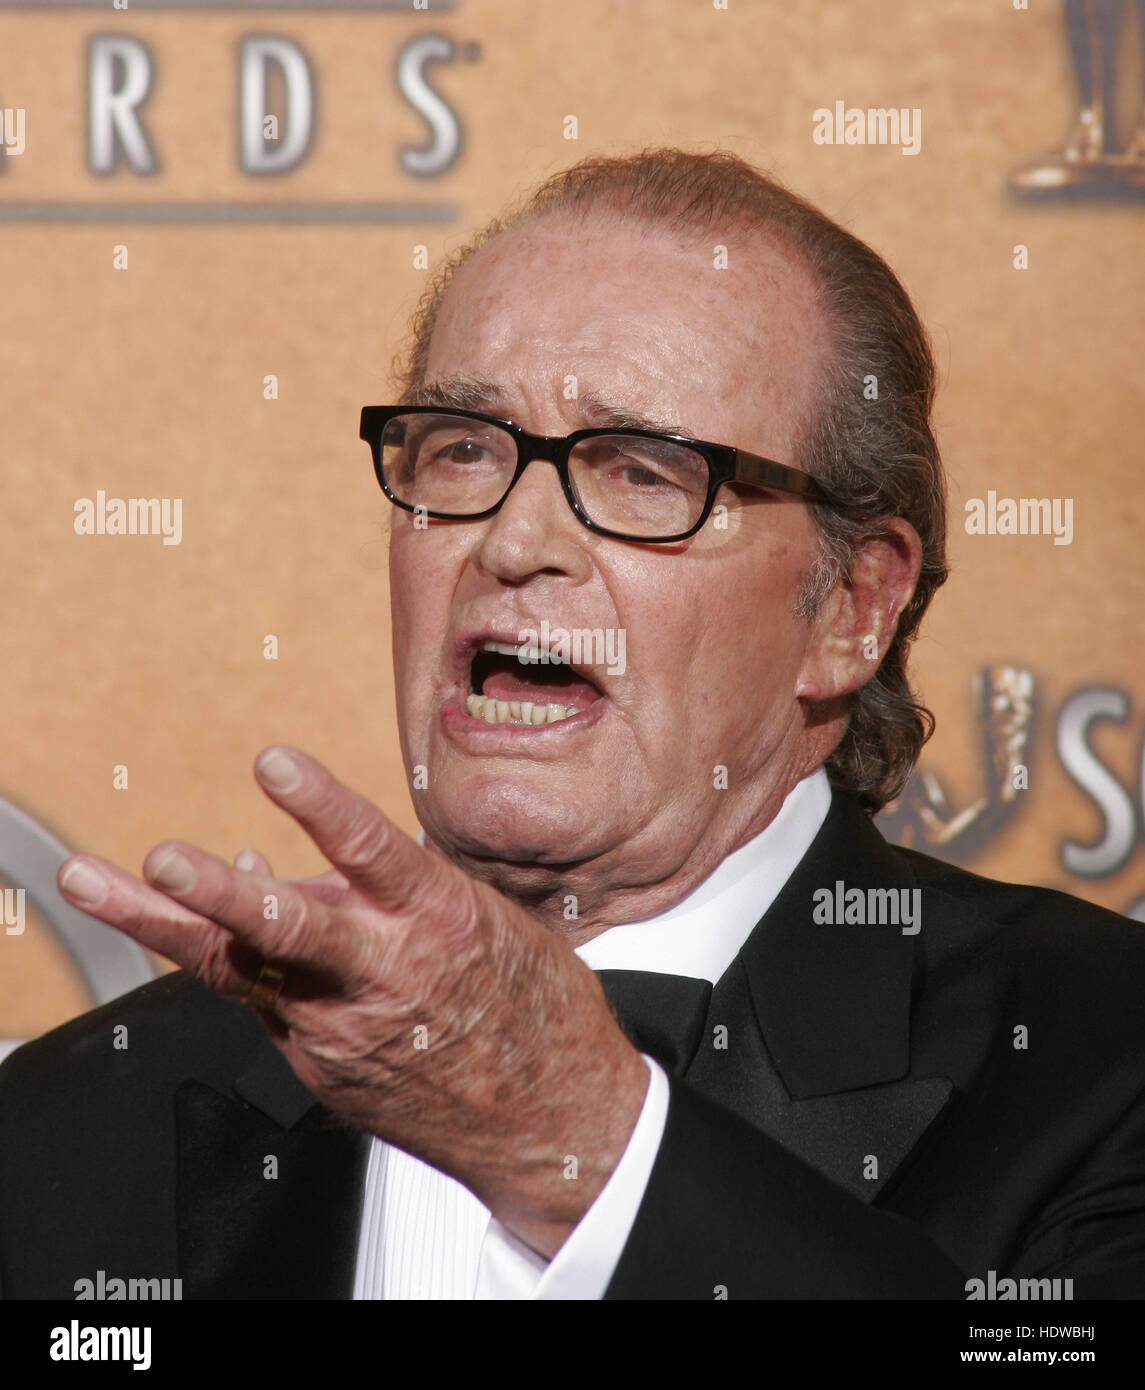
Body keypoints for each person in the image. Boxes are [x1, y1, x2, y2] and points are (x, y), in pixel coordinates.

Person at [2, 149, 1143, 1301]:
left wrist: (589, 1145)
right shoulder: (65, 1130)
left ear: (851, 607)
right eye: (461, 450)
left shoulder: (1099, 1060)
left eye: (643, 471)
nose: (512, 541)